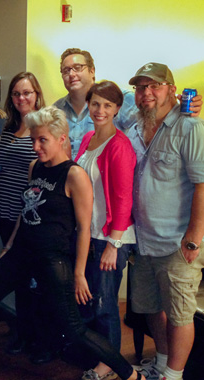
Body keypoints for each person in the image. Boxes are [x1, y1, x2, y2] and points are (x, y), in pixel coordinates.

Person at [0, 106, 146, 380]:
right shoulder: (35, 167)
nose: (35, 146)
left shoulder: (74, 175)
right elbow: (26, 213)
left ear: (60, 138)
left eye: (42, 140)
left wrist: (79, 273)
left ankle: (130, 375)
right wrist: (8, 246)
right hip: (22, 252)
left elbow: (83, 229)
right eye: (33, 139)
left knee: (73, 328)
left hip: (53, 258)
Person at [127, 62, 204, 380]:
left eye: (154, 86)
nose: (146, 93)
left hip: (176, 242)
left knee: (180, 313)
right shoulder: (133, 125)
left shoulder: (190, 128)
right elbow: (102, 102)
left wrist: (194, 236)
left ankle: (173, 375)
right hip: (143, 240)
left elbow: (202, 184)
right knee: (150, 308)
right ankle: (160, 363)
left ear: (172, 89)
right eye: (140, 87)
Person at [74, 81, 137, 380]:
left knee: (105, 304)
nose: (100, 110)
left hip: (108, 238)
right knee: (88, 299)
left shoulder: (120, 145)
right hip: (87, 234)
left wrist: (114, 243)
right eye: (95, 103)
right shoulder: (87, 138)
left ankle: (111, 363)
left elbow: (124, 198)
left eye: (107, 105)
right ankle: (97, 353)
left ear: (117, 109)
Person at [0, 72, 51, 361]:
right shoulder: (8, 126)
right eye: (16, 93)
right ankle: (23, 332)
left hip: (30, 214)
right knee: (18, 277)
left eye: (27, 93)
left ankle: (40, 338)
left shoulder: (46, 127)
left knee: (34, 278)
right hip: (6, 209)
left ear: (37, 94)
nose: (21, 98)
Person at [53, 48, 202, 159]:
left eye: (78, 68)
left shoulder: (120, 98)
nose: (71, 74)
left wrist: (181, 104)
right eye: (66, 70)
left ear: (92, 71)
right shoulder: (56, 109)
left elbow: (152, 108)